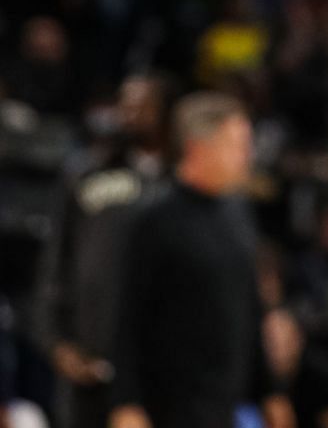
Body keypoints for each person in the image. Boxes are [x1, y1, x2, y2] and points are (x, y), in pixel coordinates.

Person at [107, 93, 289, 428]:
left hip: (223, 402)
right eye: (236, 145)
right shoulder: (154, 218)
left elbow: (251, 307)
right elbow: (128, 314)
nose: (246, 156)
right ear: (197, 148)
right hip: (166, 403)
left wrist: (271, 391)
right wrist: (126, 403)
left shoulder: (238, 213)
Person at [32, 74, 170, 428]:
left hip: (159, 370)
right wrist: (56, 341)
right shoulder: (85, 173)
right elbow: (56, 261)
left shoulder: (181, 181)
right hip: (89, 362)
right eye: (125, 105)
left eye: (142, 106)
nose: (130, 114)